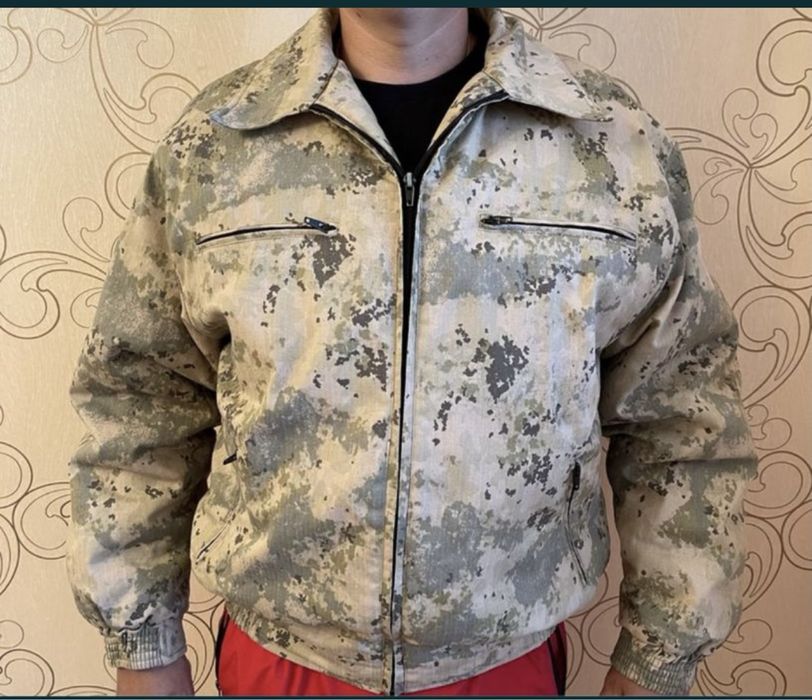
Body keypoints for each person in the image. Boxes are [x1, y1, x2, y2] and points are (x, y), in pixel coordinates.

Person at [65, 6, 759, 697]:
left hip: (502, 666)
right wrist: (143, 644)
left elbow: (681, 415)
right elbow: (143, 404)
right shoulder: (219, 142)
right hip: (283, 661)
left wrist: (658, 659)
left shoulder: (608, 143)